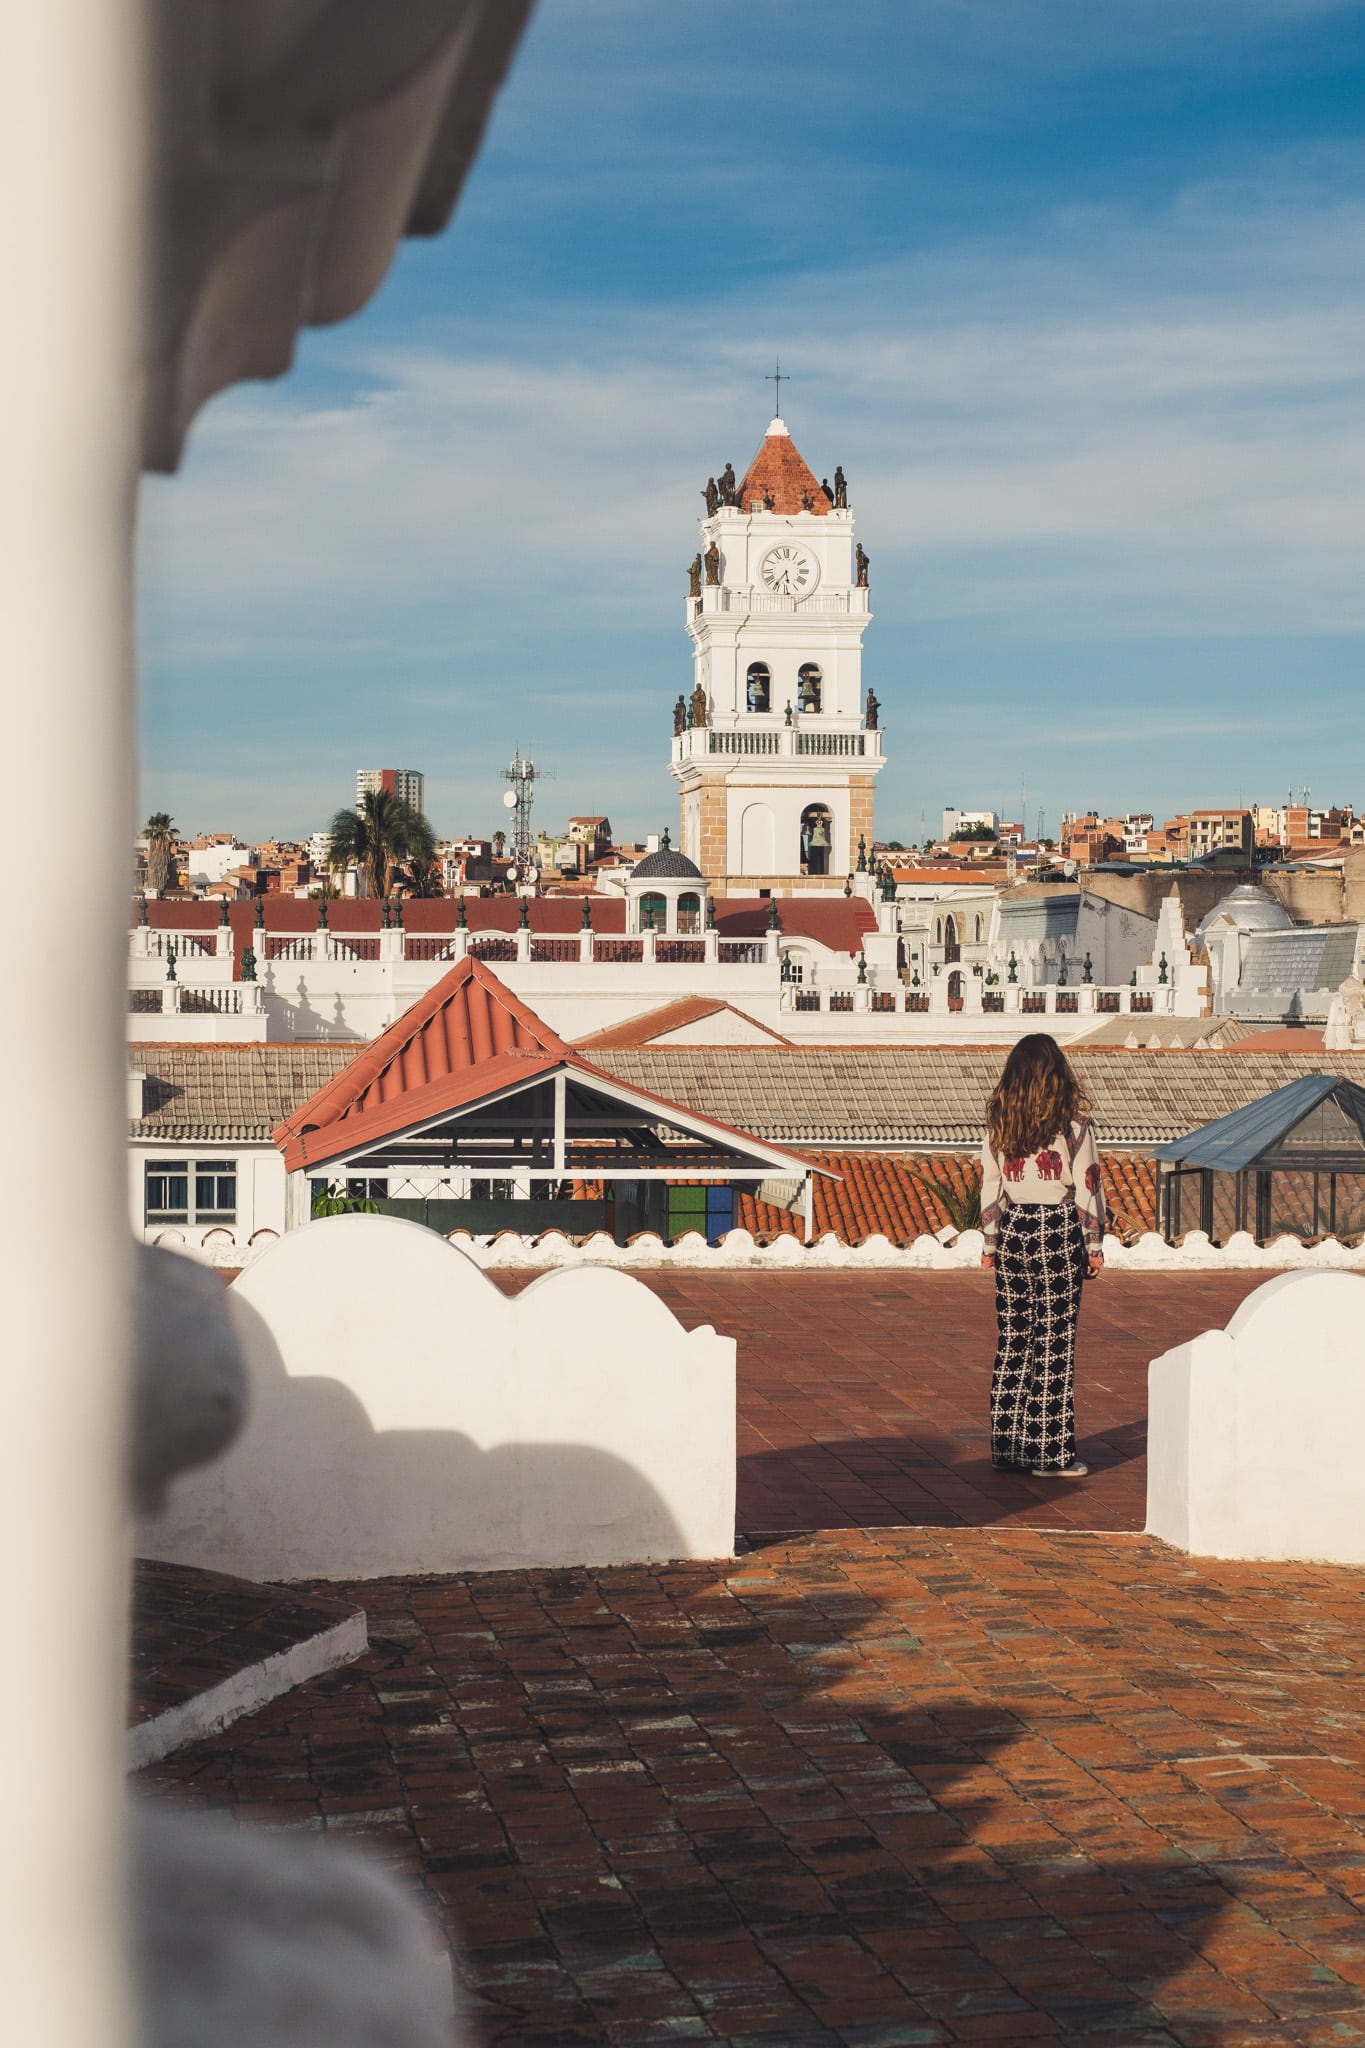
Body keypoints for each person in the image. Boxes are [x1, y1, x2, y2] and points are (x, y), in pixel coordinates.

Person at [979, 1034, 1104, 1478]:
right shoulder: (1074, 1125)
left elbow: (990, 1186)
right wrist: (1094, 1245)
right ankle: (1049, 1455)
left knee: (1013, 1339)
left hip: (1014, 1231)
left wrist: (991, 1243)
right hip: (1056, 1230)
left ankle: (1008, 1446)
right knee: (1053, 1343)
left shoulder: (1000, 1123)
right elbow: (1087, 1185)